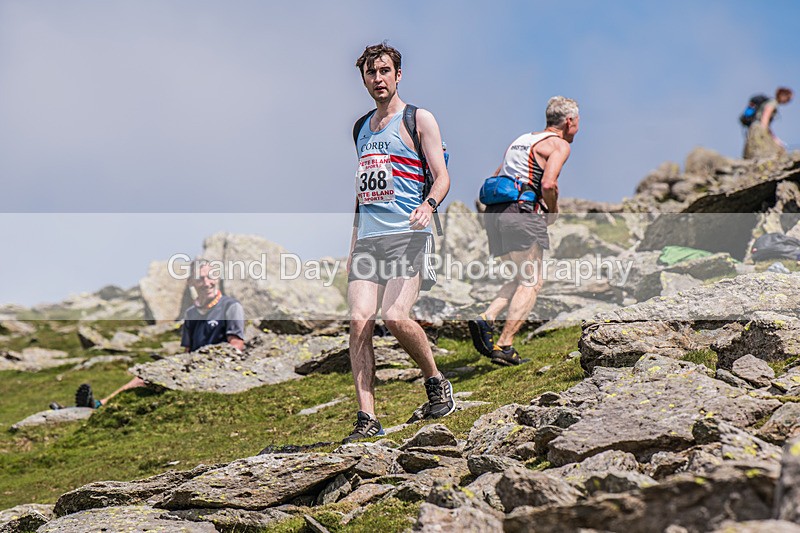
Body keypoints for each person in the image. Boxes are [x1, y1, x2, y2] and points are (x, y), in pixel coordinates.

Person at [344, 43, 453, 443]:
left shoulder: (418, 118)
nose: (378, 79)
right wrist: (353, 243)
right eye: (371, 74)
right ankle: (367, 417)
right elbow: (361, 192)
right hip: (369, 240)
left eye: (385, 71)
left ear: (398, 74)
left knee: (394, 315)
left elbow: (441, 176)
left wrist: (428, 205)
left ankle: (436, 381)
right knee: (359, 321)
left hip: (409, 232)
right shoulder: (360, 129)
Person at [468, 96, 579, 366]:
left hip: (495, 214)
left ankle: (487, 317)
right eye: (577, 122)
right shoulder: (559, 144)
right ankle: (504, 345)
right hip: (522, 214)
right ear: (569, 121)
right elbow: (549, 184)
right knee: (532, 281)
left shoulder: (522, 140)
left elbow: (498, 174)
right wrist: (552, 211)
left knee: (520, 277)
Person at [70, 260, 245, 409]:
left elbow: (236, 345)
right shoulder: (191, 314)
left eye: (211, 276)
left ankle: (98, 405)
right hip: (194, 366)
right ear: (191, 282)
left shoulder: (231, 307)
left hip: (217, 368)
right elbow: (188, 351)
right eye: (200, 279)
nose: (207, 283)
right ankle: (96, 405)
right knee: (145, 376)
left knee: (148, 379)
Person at [744, 87, 793, 160]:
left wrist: (774, 138)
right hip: (758, 129)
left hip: (755, 128)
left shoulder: (771, 102)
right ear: (782, 96)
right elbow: (765, 120)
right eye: (788, 98)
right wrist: (769, 136)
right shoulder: (772, 104)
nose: (788, 101)